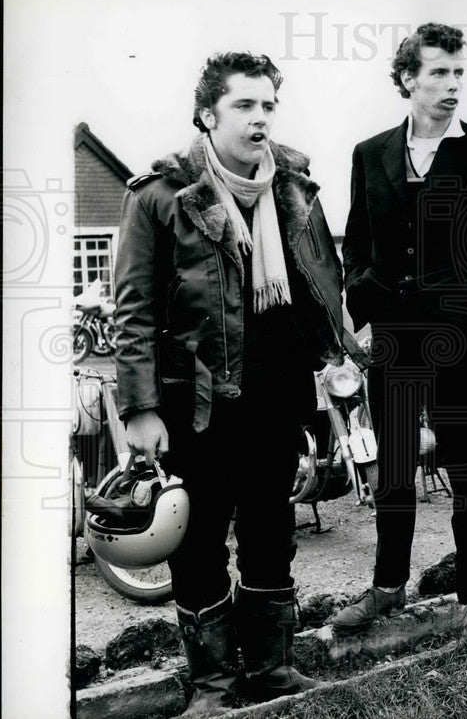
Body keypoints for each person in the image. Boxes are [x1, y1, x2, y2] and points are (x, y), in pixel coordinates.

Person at [114, 52, 350, 714]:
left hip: (277, 393)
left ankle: (272, 669)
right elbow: (133, 310)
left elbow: (320, 285)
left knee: (272, 532)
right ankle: (213, 686)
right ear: (208, 115)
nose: (259, 118)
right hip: (195, 402)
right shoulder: (160, 196)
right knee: (198, 543)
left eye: (268, 105)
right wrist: (140, 408)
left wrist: (337, 356)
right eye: (244, 105)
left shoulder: (295, 189)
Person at [335, 23, 467, 647]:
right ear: (407, 80)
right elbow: (356, 241)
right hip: (395, 338)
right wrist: (366, 297)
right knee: (394, 467)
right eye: (438, 73)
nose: (452, 85)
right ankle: (388, 586)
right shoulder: (371, 153)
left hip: (464, 341)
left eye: (458, 73)